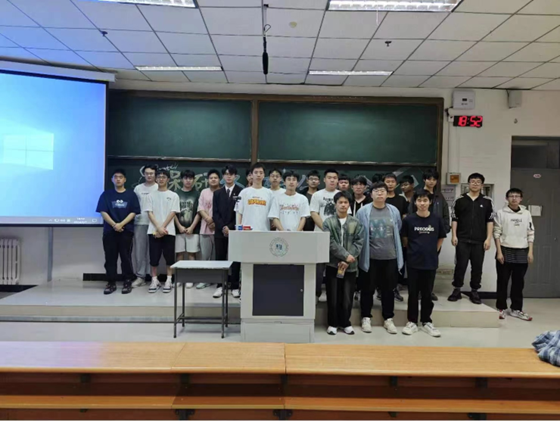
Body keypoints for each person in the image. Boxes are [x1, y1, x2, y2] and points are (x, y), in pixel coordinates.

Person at [357, 182, 404, 335]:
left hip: (390, 257)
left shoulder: (393, 211)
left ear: (386, 193)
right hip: (370, 258)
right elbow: (358, 232)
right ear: (371, 194)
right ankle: (366, 317)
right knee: (367, 289)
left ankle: (388, 318)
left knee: (388, 290)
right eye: (376, 191)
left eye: (382, 191)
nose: (379, 193)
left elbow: (398, 228)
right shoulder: (363, 211)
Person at [401, 190, 446, 338]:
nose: (422, 203)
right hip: (413, 262)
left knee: (427, 293)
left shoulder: (436, 219)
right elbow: (405, 239)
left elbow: (441, 237)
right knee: (413, 293)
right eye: (419, 200)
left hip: (430, 262)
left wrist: (433, 251)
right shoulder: (409, 220)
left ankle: (426, 321)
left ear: (430, 202)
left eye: (425, 200)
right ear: (415, 202)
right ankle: (412, 321)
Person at [323, 191, 365, 335]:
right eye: (340, 202)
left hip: (350, 266)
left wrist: (348, 259)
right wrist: (345, 256)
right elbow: (330, 242)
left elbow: (359, 242)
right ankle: (333, 323)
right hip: (333, 265)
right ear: (335, 204)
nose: (343, 205)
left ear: (349, 205)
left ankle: (345, 323)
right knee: (333, 297)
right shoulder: (328, 222)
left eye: (345, 202)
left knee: (347, 297)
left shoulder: (356, 222)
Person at [449, 173, 495, 305]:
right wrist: (454, 235)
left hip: (479, 241)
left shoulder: (487, 201)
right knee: (460, 265)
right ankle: (457, 289)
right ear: (468, 184)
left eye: (478, 182)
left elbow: (490, 221)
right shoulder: (460, 200)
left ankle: (474, 291)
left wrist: (488, 239)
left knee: (477, 267)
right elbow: (455, 219)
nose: (475, 184)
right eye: (472, 181)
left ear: (482, 185)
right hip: (462, 239)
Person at [96, 169, 140, 295]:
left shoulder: (131, 195)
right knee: (110, 258)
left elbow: (134, 212)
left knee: (126, 257)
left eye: (121, 177)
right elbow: (103, 211)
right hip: (110, 231)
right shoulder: (106, 195)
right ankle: (111, 282)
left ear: (125, 179)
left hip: (126, 231)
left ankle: (127, 281)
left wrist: (121, 224)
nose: (118, 179)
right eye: (115, 177)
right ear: (112, 179)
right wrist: (114, 225)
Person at [409, 169, 451, 301]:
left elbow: (445, 215)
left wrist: (443, 230)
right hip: (418, 236)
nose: (431, 182)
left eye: (434, 179)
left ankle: (428, 291)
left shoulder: (439, 197)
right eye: (429, 179)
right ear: (424, 180)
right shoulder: (417, 195)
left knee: (431, 266)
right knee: (416, 266)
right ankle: (417, 291)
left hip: (434, 238)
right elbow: (410, 214)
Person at [494, 188, 535, 321]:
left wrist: (530, 251)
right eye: (511, 196)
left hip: (522, 251)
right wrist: (499, 252)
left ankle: (516, 309)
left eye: (517, 196)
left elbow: (530, 233)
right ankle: (501, 308)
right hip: (505, 250)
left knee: (518, 283)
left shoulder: (526, 213)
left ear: (521, 199)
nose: (514, 198)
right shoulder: (501, 213)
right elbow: (497, 233)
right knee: (502, 281)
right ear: (507, 198)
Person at [146, 169, 180, 294]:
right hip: (153, 231)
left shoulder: (174, 195)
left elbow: (173, 212)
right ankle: (154, 280)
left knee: (169, 257)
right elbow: (149, 212)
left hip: (168, 231)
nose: (161, 179)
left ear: (168, 179)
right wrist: (158, 227)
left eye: (164, 177)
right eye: (159, 177)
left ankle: (169, 279)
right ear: (156, 179)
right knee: (154, 257)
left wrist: (162, 227)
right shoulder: (150, 195)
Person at [310, 169, 340, 302]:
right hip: (319, 236)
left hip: (337, 237)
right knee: (318, 268)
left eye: (334, 178)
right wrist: (326, 229)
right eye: (329, 177)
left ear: (337, 180)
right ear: (324, 180)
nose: (332, 180)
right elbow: (314, 213)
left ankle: (333, 295)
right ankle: (316, 294)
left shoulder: (341, 195)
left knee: (334, 267)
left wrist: (334, 231)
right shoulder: (317, 195)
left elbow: (346, 214)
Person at [213, 165, 242, 299]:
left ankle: (235, 286)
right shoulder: (217, 193)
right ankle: (220, 285)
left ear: (235, 176)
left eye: (231, 174)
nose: (228, 176)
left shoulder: (241, 192)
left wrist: (230, 227)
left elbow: (240, 212)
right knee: (220, 258)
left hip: (235, 231)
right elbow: (215, 213)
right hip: (220, 231)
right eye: (226, 174)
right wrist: (223, 227)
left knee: (235, 259)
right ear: (223, 177)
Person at [132, 165, 158, 288]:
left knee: (154, 251)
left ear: (155, 174)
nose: (149, 175)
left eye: (151, 173)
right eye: (147, 173)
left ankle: (154, 277)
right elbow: (133, 205)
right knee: (140, 251)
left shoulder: (159, 187)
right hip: (140, 222)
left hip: (155, 224)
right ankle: (140, 276)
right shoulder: (138, 188)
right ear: (144, 174)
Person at [383, 173, 408, 302]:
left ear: (396, 184)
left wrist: (403, 236)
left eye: (392, 181)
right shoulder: (380, 198)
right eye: (387, 181)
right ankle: (381, 289)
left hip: (397, 236)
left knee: (397, 264)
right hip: (381, 237)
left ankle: (395, 288)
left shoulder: (401, 199)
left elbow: (404, 218)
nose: (390, 184)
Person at [174, 170, 201, 288]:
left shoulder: (197, 194)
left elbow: (199, 212)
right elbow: (173, 212)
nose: (188, 181)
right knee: (179, 254)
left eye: (190, 178)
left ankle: (190, 278)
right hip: (178, 229)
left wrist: (191, 227)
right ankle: (179, 278)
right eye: (185, 178)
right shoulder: (176, 194)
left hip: (193, 229)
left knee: (191, 254)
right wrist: (179, 226)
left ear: (194, 180)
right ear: (181, 179)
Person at [196, 169, 220, 290]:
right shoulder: (204, 192)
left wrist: (215, 222)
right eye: (211, 178)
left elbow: (224, 211)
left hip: (218, 229)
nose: (213, 180)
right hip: (205, 228)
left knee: (216, 256)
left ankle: (215, 279)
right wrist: (208, 219)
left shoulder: (222, 192)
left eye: (215, 178)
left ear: (219, 179)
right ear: (208, 180)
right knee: (205, 256)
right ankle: (204, 279)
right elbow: (200, 208)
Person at [351, 176, 372, 303]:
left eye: (361, 185)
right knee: (351, 263)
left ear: (365, 187)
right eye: (356, 184)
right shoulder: (347, 200)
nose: (358, 187)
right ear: (352, 187)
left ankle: (361, 289)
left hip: (366, 237)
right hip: (349, 237)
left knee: (364, 264)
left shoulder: (370, 201)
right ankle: (352, 288)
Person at [238, 163, 274, 232]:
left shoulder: (269, 193)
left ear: (264, 175)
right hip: (246, 231)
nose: (258, 175)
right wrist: (239, 231)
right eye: (256, 172)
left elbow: (272, 215)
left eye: (261, 173)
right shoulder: (244, 192)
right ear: (251, 175)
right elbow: (239, 213)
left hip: (264, 231)